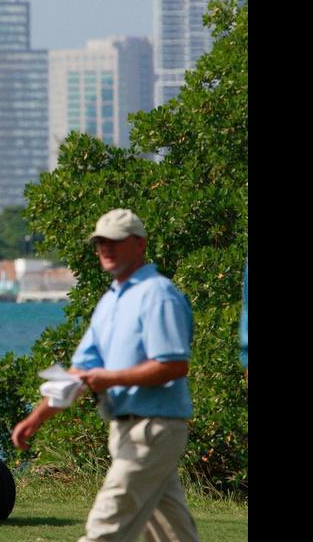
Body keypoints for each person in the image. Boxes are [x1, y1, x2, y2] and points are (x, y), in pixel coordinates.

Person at [11, 209, 200, 542]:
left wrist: (111, 379)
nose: (105, 249)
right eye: (100, 243)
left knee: (104, 530)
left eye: (114, 241)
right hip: (127, 430)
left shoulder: (159, 294)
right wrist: (37, 418)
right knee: (174, 536)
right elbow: (79, 372)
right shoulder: (110, 300)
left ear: (139, 245)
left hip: (152, 430)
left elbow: (173, 365)